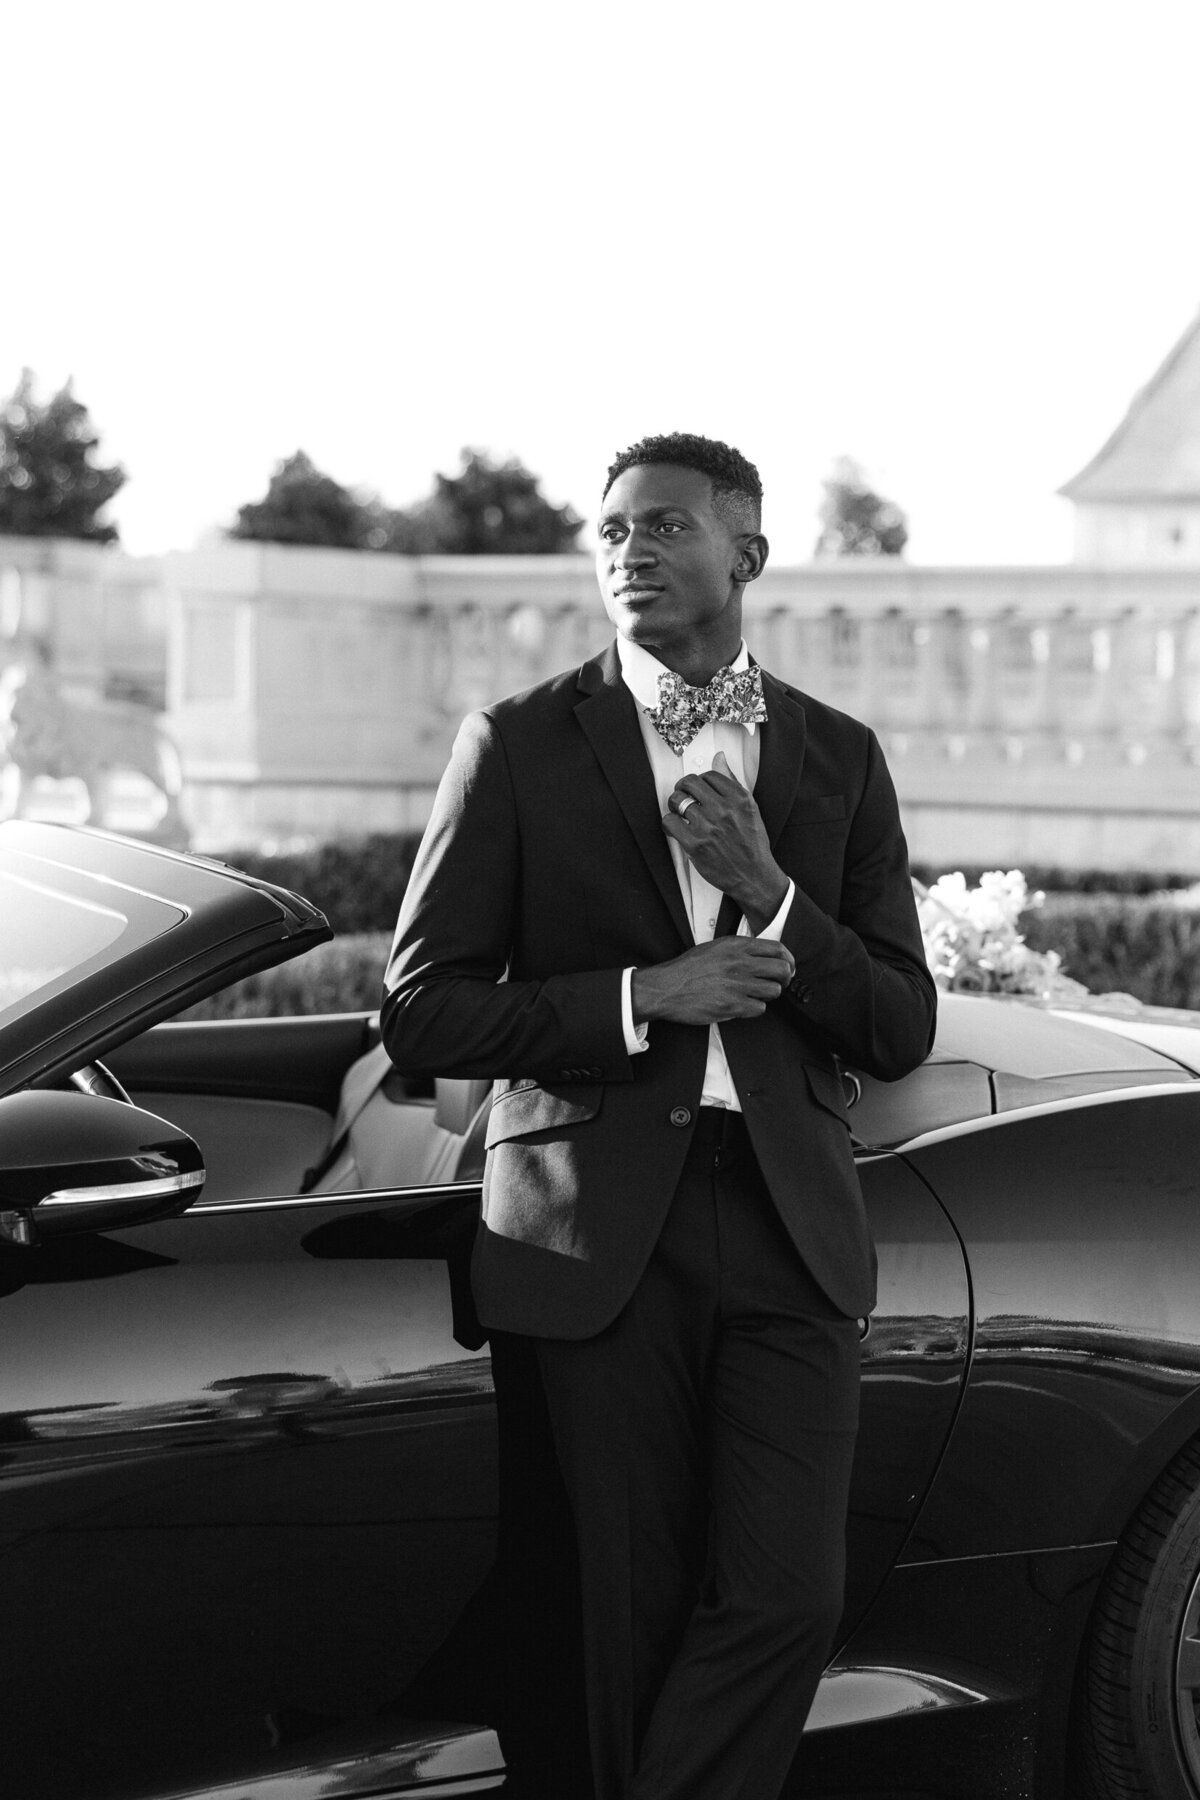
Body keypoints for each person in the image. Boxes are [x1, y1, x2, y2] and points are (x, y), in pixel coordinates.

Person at [383, 432, 937, 1800]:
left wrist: (773, 898)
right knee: (617, 1621)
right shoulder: (517, 745)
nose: (631, 547)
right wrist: (645, 993)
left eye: (668, 526)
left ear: (745, 554)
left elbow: (900, 1021)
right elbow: (424, 1009)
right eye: (614, 526)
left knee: (788, 1598)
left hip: (791, 1223)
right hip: (589, 1236)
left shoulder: (839, 756)